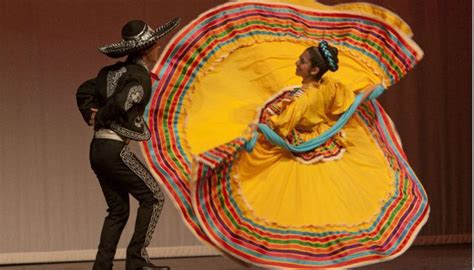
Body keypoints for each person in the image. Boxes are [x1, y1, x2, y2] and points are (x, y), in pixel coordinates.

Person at [76, 18, 180, 270]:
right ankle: (136, 260)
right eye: (156, 44)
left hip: (98, 149)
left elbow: (83, 89)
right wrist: (101, 115)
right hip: (113, 149)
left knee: (118, 210)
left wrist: (90, 111)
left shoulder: (110, 72)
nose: (159, 48)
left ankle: (102, 266)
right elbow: (124, 100)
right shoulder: (139, 77)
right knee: (153, 197)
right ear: (146, 50)